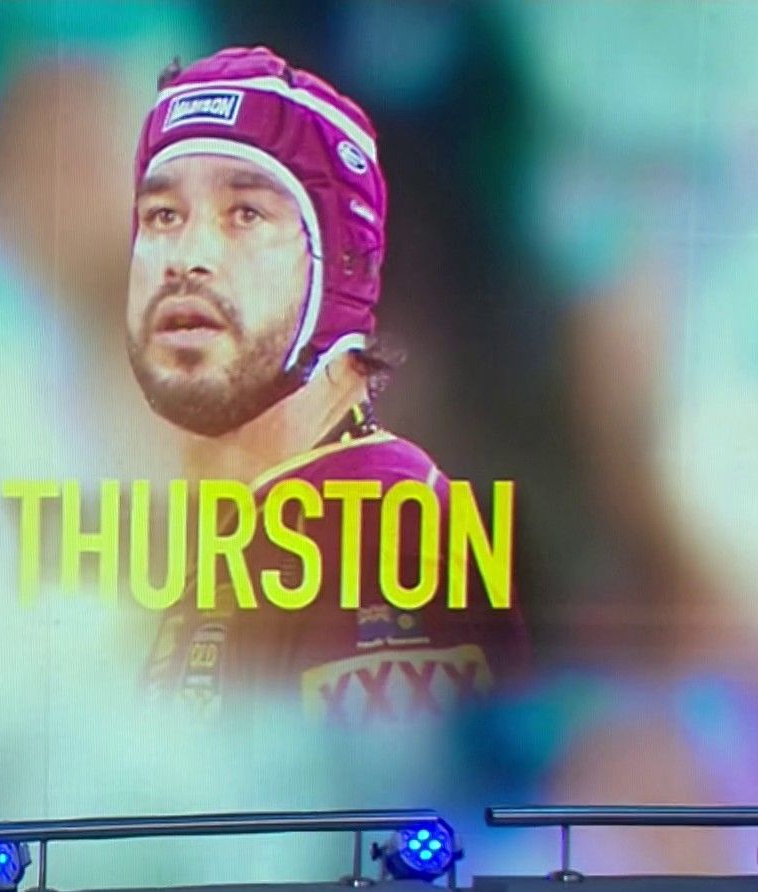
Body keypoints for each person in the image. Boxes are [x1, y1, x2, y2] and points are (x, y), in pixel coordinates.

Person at [124, 46, 528, 723]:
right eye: (164, 216)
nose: (187, 259)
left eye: (245, 214)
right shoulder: (238, 526)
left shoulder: (387, 528)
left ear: (341, 261)